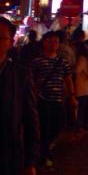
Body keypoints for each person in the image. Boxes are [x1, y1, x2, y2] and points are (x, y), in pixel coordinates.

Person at [31, 31, 77, 172]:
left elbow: (68, 79)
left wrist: (72, 96)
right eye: (50, 41)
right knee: (45, 128)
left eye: (56, 41)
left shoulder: (62, 62)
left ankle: (45, 150)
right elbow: (31, 81)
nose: (54, 44)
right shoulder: (37, 62)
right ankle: (45, 157)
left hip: (58, 100)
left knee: (59, 125)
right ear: (44, 43)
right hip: (43, 100)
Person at [0, 17, 40, 175]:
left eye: (1, 38)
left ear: (10, 43)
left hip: (7, 155)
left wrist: (31, 162)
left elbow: (31, 120)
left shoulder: (21, 75)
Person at [73, 35, 88, 134]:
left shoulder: (82, 59)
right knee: (85, 106)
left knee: (81, 107)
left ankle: (81, 125)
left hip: (81, 86)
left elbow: (76, 71)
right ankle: (85, 125)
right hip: (86, 87)